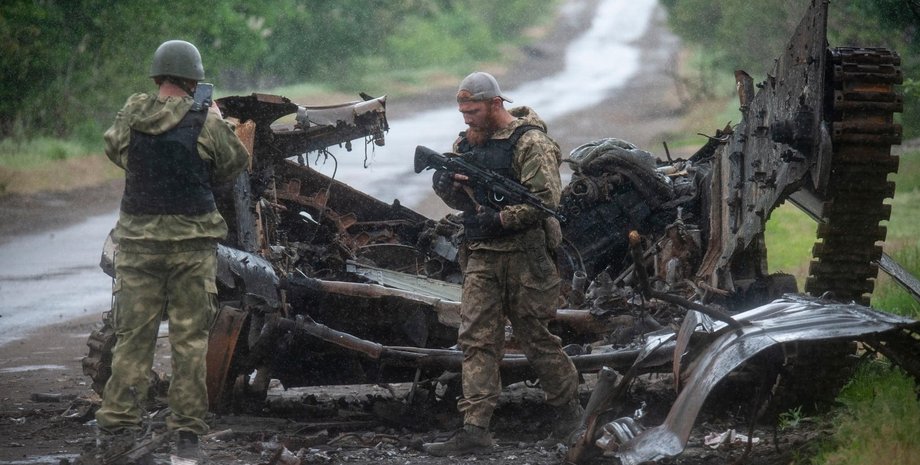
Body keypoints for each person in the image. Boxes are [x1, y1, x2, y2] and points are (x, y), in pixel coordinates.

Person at [93, 39, 250, 463]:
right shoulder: (206, 120)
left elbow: (115, 149)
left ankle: (117, 433)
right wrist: (214, 123)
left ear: (158, 75)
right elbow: (234, 163)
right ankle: (186, 439)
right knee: (189, 344)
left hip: (138, 248)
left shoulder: (133, 112)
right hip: (191, 251)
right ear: (194, 80)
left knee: (132, 340)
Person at [422, 71, 584, 457]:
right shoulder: (466, 143)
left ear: (496, 104)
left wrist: (499, 220)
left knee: (535, 337)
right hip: (483, 256)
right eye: (463, 112)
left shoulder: (530, 142)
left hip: (527, 256)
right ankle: (475, 429)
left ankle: (571, 416)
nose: (467, 119)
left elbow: (545, 201)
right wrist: (447, 186)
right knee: (476, 340)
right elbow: (462, 198)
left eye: (474, 111)